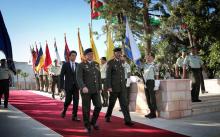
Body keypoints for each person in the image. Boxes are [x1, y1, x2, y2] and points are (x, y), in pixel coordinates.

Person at [105, 47, 134, 126]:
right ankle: (108, 115)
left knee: (124, 104)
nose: (118, 54)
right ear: (114, 53)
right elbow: (108, 76)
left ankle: (127, 120)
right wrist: (109, 87)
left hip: (122, 87)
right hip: (114, 88)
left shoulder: (122, 62)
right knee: (111, 103)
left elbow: (125, 73)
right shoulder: (110, 62)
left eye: (119, 52)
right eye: (117, 52)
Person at [76, 48, 102, 134]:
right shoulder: (81, 65)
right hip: (86, 91)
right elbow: (78, 77)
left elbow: (98, 77)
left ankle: (93, 122)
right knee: (86, 109)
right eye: (89, 54)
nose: (91, 55)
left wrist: (100, 88)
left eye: (92, 54)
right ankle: (87, 126)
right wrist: (83, 87)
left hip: (95, 90)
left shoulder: (96, 64)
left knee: (99, 105)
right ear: (85, 56)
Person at [60, 50, 80, 121]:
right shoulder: (65, 64)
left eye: (75, 56)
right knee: (68, 100)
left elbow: (80, 76)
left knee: (76, 101)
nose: (74, 57)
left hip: (76, 87)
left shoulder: (78, 65)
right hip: (68, 86)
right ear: (69, 56)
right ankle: (64, 110)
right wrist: (61, 87)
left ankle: (74, 115)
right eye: (72, 55)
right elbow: (61, 76)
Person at [143, 53, 159, 119]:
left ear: (153, 58)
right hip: (145, 82)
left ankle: (153, 113)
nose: (148, 57)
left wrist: (157, 83)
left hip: (151, 82)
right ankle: (151, 111)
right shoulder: (144, 65)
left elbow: (157, 74)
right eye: (147, 56)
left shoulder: (155, 65)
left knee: (152, 98)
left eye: (150, 56)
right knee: (147, 97)